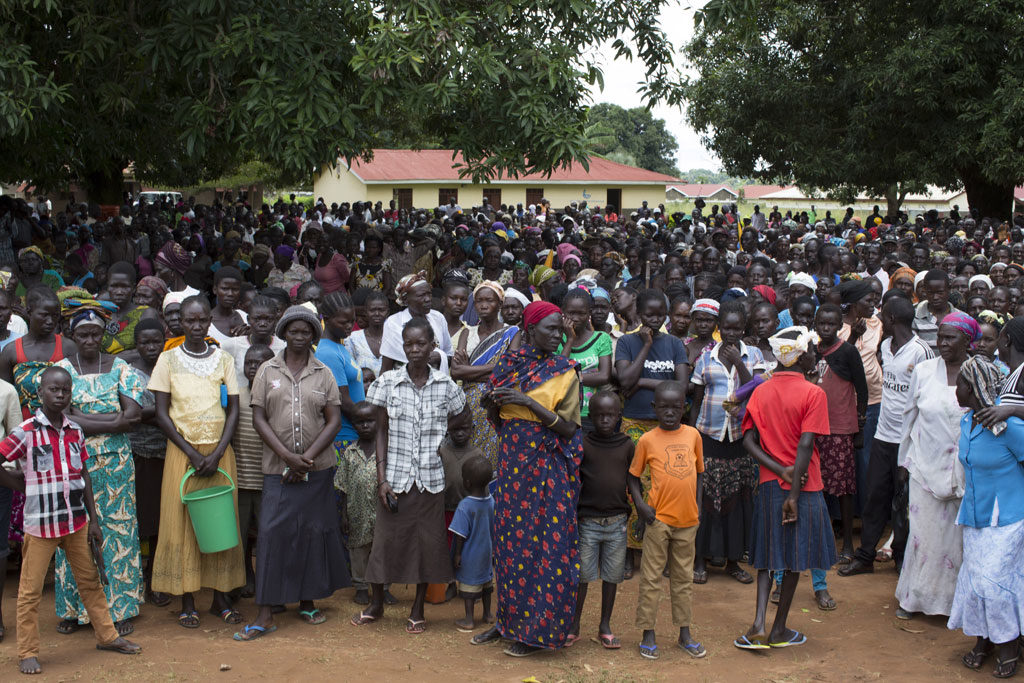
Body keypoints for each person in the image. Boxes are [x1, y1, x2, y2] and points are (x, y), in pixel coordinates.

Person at [0, 366, 140, 675]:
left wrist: (94, 520)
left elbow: (84, 474)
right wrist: (20, 484)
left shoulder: (75, 430)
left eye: (66, 390)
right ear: (40, 393)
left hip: (75, 521)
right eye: (54, 390)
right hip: (41, 526)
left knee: (90, 582)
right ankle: (27, 652)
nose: (61, 395)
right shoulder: (26, 431)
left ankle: (107, 636)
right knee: (30, 592)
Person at [471, 301, 582, 656]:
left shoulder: (565, 371)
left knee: (545, 547)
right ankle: (508, 622)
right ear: (530, 330)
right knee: (509, 547)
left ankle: (536, 634)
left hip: (547, 470)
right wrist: (494, 400)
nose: (557, 335)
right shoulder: (509, 364)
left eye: (559, 330)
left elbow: (568, 429)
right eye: (550, 329)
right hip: (512, 467)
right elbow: (498, 414)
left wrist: (529, 403)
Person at [237, 305, 349, 640]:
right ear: (283, 333)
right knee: (272, 534)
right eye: (293, 331)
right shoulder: (267, 371)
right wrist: (287, 456)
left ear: (314, 336)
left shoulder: (324, 373)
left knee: (312, 533)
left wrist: (307, 459)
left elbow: (334, 421)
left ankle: (307, 600)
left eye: (306, 332)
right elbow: (259, 418)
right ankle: (266, 612)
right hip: (276, 469)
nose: (299, 337)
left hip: (317, 471)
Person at [352, 318, 465, 634]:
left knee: (426, 545)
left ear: (433, 346)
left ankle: (417, 610)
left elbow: (462, 416)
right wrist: (381, 477)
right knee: (384, 542)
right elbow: (380, 432)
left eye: (420, 344)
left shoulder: (446, 385)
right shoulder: (386, 383)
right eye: (408, 344)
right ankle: (375, 605)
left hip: (431, 479)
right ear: (402, 348)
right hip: (395, 478)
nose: (414, 350)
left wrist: (440, 440)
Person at [735, 327, 836, 651]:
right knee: (794, 559)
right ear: (801, 355)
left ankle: (759, 624)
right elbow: (807, 443)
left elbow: (748, 440)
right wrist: (792, 490)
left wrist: (777, 469)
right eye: (810, 352)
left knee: (766, 555)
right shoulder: (813, 393)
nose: (813, 356)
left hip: (768, 482)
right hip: (804, 487)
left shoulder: (761, 392)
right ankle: (779, 629)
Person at [149, 295, 245, 628]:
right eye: (189, 320)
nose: (195, 326)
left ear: (209, 321)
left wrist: (217, 452)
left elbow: (233, 408)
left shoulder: (223, 359)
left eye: (202, 320)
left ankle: (220, 599)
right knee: (182, 522)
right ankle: (187, 600)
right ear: (179, 321)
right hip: (182, 453)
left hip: (219, 453)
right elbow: (161, 415)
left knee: (220, 524)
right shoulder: (168, 359)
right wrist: (191, 452)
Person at [53, 307, 146, 637]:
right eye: (83, 335)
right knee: (74, 531)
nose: (90, 340)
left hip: (116, 465)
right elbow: (63, 418)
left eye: (95, 334)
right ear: (72, 336)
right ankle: (73, 608)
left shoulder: (121, 367)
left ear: (104, 335)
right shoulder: (61, 370)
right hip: (75, 462)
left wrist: (83, 418)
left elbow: (132, 415)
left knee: (117, 529)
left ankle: (120, 607)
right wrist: (112, 421)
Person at [840, 295, 932, 577]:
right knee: (875, 497)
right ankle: (865, 555)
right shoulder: (886, 346)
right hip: (883, 436)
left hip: (909, 441)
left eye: (883, 317)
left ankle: (901, 559)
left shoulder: (920, 351)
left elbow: (926, 398)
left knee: (903, 502)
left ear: (891, 320)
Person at [894, 312, 973, 620]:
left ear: (967, 340)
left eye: (950, 338)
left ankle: (954, 605)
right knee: (922, 536)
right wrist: (903, 461)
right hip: (924, 466)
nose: (942, 343)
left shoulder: (978, 371)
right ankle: (915, 599)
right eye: (940, 337)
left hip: (963, 471)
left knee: (956, 542)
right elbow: (909, 416)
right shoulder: (925, 371)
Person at [949, 355, 1024, 678]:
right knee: (975, 581)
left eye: (962, 383)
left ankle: (1008, 645)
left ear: (975, 387)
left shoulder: (1011, 427)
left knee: (995, 584)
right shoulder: (967, 422)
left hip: (1009, 516)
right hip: (975, 515)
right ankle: (985, 640)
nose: (956, 388)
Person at [629, 381, 706, 660]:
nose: (670, 412)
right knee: (651, 577)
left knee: (684, 578)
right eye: (664, 407)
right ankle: (648, 632)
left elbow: (699, 473)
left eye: (676, 407)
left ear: (683, 407)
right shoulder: (647, 440)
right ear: (654, 408)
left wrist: (697, 506)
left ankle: (684, 633)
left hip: (688, 520)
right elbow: (633, 476)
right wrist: (640, 507)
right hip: (658, 519)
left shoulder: (694, 435)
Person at [615, 289, 688, 575]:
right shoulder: (627, 342)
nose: (654, 319)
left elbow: (682, 388)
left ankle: (660, 552)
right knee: (633, 490)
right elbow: (623, 381)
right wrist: (645, 346)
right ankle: (632, 553)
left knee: (666, 487)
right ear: (639, 314)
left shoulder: (675, 344)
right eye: (649, 314)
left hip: (667, 427)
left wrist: (643, 382)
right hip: (634, 423)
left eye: (660, 315)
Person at [690, 300, 763, 585]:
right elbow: (696, 400)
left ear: (743, 329)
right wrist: (693, 434)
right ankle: (700, 561)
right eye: (727, 328)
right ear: (720, 328)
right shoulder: (706, 358)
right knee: (705, 502)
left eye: (737, 328)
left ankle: (733, 562)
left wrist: (737, 364)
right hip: (708, 436)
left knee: (736, 502)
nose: (731, 333)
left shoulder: (753, 355)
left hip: (739, 438)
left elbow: (756, 393)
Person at [568, 391, 632, 649]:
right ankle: (574, 624)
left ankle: (605, 625)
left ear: (619, 416)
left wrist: (639, 507)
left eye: (610, 415)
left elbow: (632, 479)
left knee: (612, 576)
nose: (605, 419)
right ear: (590, 417)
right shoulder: (583, 443)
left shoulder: (627, 445)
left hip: (617, 521)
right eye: (599, 415)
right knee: (582, 576)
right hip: (588, 521)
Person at [813, 303, 867, 562]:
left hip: (841, 428)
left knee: (843, 489)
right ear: (815, 325)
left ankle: (847, 544)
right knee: (817, 487)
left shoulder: (847, 351)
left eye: (831, 324)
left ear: (838, 326)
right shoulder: (811, 351)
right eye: (821, 323)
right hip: (815, 427)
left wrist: (860, 427)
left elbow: (862, 389)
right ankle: (821, 542)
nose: (826, 328)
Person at [452, 281, 520, 468]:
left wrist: (469, 371)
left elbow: (511, 370)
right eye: (479, 301)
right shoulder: (467, 332)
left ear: (499, 304)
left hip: (496, 403)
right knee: (469, 453)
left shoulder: (512, 333)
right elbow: (456, 371)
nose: (483, 305)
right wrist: (496, 367)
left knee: (494, 454)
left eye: (489, 300)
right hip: (468, 403)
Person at [336, 402, 398, 606]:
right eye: (359, 422)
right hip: (357, 513)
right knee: (358, 552)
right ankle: (361, 587)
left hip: (382, 514)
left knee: (384, 550)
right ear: (353, 424)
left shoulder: (388, 452)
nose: (365, 426)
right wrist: (344, 514)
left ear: (379, 422)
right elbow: (343, 486)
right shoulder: (350, 453)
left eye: (369, 421)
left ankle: (385, 588)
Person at [231, 343, 275, 599]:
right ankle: (246, 575)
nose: (252, 368)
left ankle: (269, 583)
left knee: (267, 534)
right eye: (248, 363)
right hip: (242, 477)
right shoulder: (236, 394)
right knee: (242, 533)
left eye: (259, 363)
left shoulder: (275, 395)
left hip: (268, 477)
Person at [449, 455, 496, 632]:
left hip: (470, 556)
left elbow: (460, 534)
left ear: (467, 483)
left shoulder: (465, 506)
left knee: (469, 588)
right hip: (487, 553)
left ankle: (469, 619)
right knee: (486, 585)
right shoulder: (491, 501)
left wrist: (458, 554)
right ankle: (487, 614)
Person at [559, 287, 612, 433]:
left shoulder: (602, 339)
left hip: (592, 413)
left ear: (589, 313)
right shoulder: (557, 338)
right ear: (563, 312)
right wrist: (570, 339)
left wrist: (569, 376)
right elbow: (556, 373)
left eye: (581, 313)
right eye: (571, 313)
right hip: (564, 412)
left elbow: (604, 376)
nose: (576, 318)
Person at [379, 272, 453, 373]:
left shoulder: (438, 318)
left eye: (429, 294)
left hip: (436, 385)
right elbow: (386, 366)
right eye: (421, 295)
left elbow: (449, 355)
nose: (428, 299)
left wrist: (440, 356)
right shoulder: (393, 323)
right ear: (406, 299)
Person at [102, 261, 160, 354]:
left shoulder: (146, 313)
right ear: (108, 287)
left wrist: (108, 360)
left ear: (133, 288)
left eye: (125, 287)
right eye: (114, 286)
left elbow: (148, 351)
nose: (119, 292)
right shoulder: (100, 313)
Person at [345, 289, 387, 383]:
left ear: (387, 312)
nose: (377, 314)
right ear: (366, 312)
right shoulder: (352, 339)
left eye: (381, 310)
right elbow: (348, 373)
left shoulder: (394, 338)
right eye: (372, 310)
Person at [207, 267, 248, 343]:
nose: (230, 294)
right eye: (225, 289)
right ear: (215, 289)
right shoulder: (206, 323)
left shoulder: (244, 317)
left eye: (235, 289)